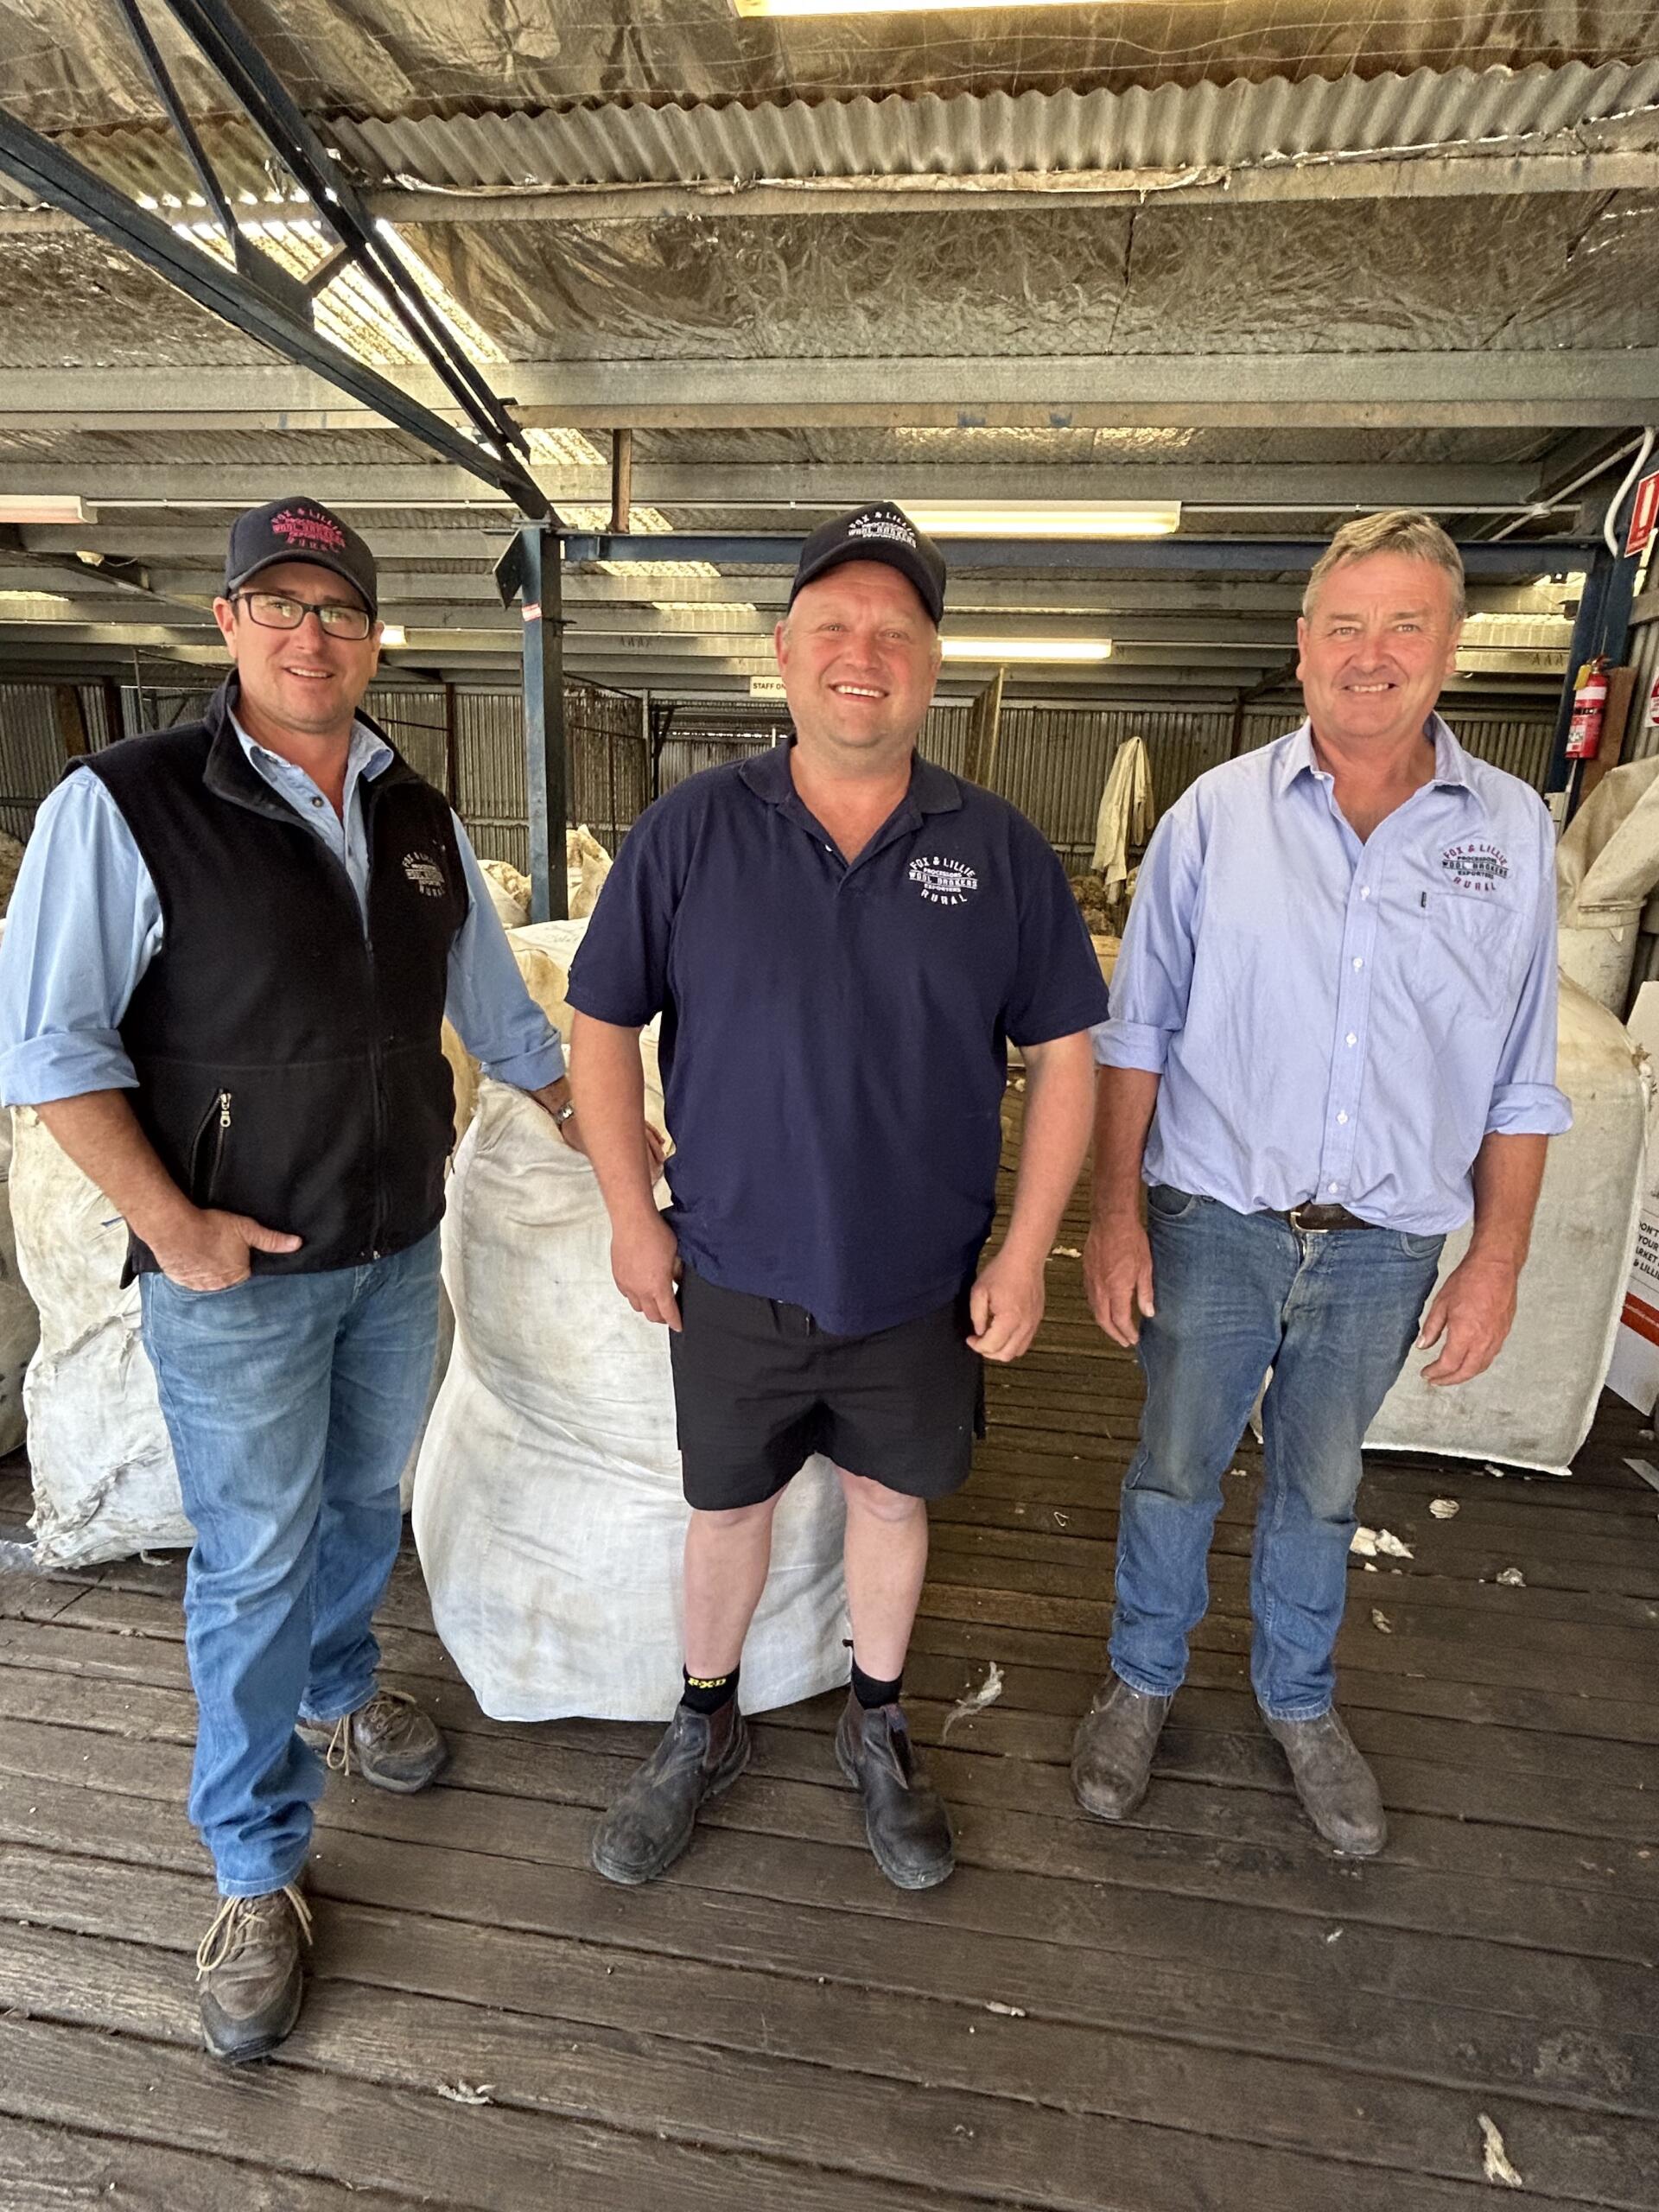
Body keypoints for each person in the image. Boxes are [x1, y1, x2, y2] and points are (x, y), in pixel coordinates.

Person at [0, 498, 588, 2063]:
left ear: (376, 637)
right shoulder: (124, 803)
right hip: (238, 1273)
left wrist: (618, 1136)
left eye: (338, 608)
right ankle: (255, 1869)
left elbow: (508, 1021)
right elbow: (51, 1051)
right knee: (250, 1561)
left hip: (396, 1249)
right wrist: (175, 1228)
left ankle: (337, 1691)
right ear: (227, 622)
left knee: (350, 1514)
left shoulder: (418, 817)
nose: (309, 632)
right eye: (280, 602)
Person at [566, 504, 1109, 1891]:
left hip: (916, 1280)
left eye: (894, 631)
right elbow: (602, 1023)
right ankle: (704, 1726)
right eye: (833, 629)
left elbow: (1066, 1054)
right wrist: (634, 1213)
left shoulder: (995, 849)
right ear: (782, 653)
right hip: (731, 1269)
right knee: (729, 1512)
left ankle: (878, 1725)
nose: (862, 655)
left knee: (888, 1499)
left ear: (933, 663)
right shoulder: (691, 829)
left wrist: (1029, 1246)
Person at [1077, 510, 1570, 1857]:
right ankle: (1143, 1680)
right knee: (1176, 1466)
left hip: (1385, 1245)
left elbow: (1522, 1070)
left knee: (1322, 1483)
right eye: (1344, 626)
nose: (1372, 654)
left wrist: (1501, 1256)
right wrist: (1112, 1215)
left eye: (1404, 624)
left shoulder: (1514, 836)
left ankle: (1297, 1702)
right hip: (1213, 1220)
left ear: (1450, 647)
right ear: (1302, 650)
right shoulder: (1213, 822)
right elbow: (1139, 1035)